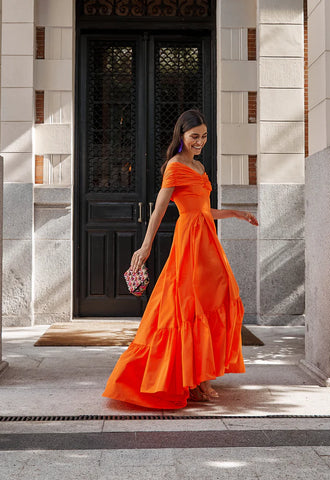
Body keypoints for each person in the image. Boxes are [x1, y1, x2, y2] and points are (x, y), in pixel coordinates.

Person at [103, 110, 258, 409]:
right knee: (190, 307)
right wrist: (145, 246)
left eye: (203, 137)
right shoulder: (174, 167)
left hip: (208, 241)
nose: (200, 142)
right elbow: (161, 208)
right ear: (182, 136)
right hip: (189, 241)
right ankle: (198, 383)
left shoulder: (199, 166)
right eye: (194, 137)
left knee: (222, 297)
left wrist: (236, 213)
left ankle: (202, 376)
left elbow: (204, 209)